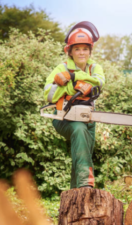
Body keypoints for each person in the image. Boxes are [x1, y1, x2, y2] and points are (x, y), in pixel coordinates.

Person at [44, 22, 105, 189]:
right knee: (78, 130)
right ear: (69, 51)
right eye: (77, 49)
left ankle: (74, 195)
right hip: (63, 118)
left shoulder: (94, 67)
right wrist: (61, 83)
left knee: (82, 154)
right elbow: (48, 94)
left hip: (88, 118)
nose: (81, 52)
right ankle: (86, 184)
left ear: (90, 50)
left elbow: (99, 82)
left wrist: (73, 77)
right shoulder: (61, 68)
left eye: (85, 48)